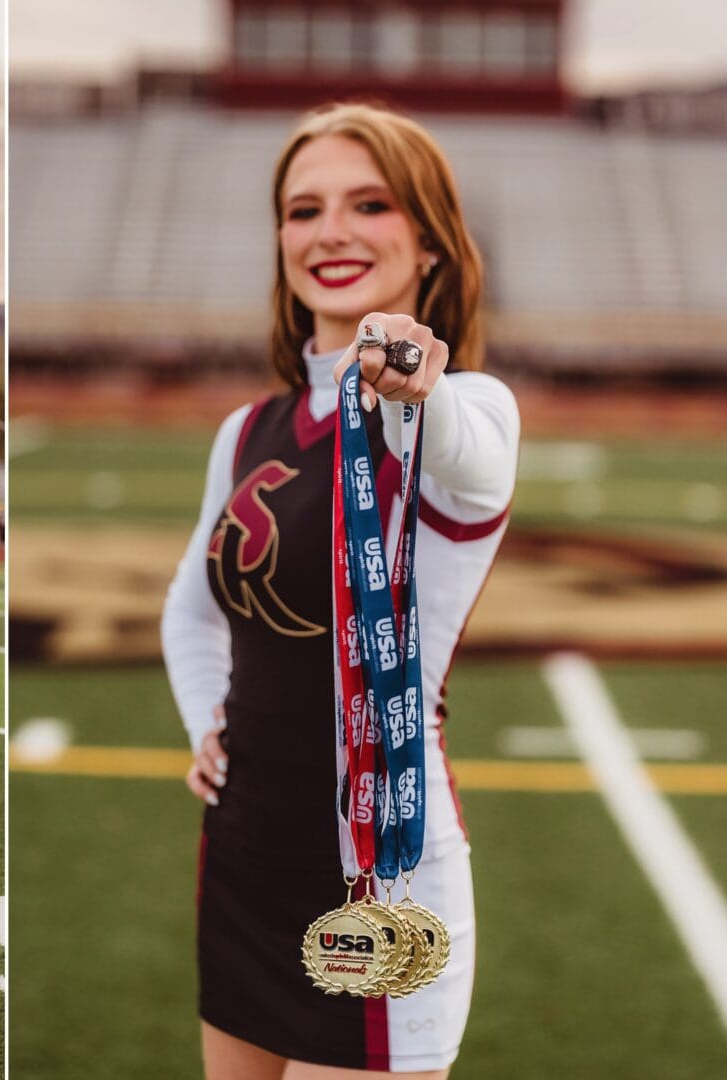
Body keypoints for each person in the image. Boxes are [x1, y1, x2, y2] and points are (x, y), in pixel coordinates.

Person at [162, 103, 519, 1079]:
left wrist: (414, 381)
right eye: (302, 209)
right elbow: (192, 606)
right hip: (241, 858)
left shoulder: (466, 409)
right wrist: (208, 720)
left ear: (431, 245)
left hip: (381, 878)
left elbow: (466, 449)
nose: (329, 232)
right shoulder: (243, 431)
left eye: (370, 204)